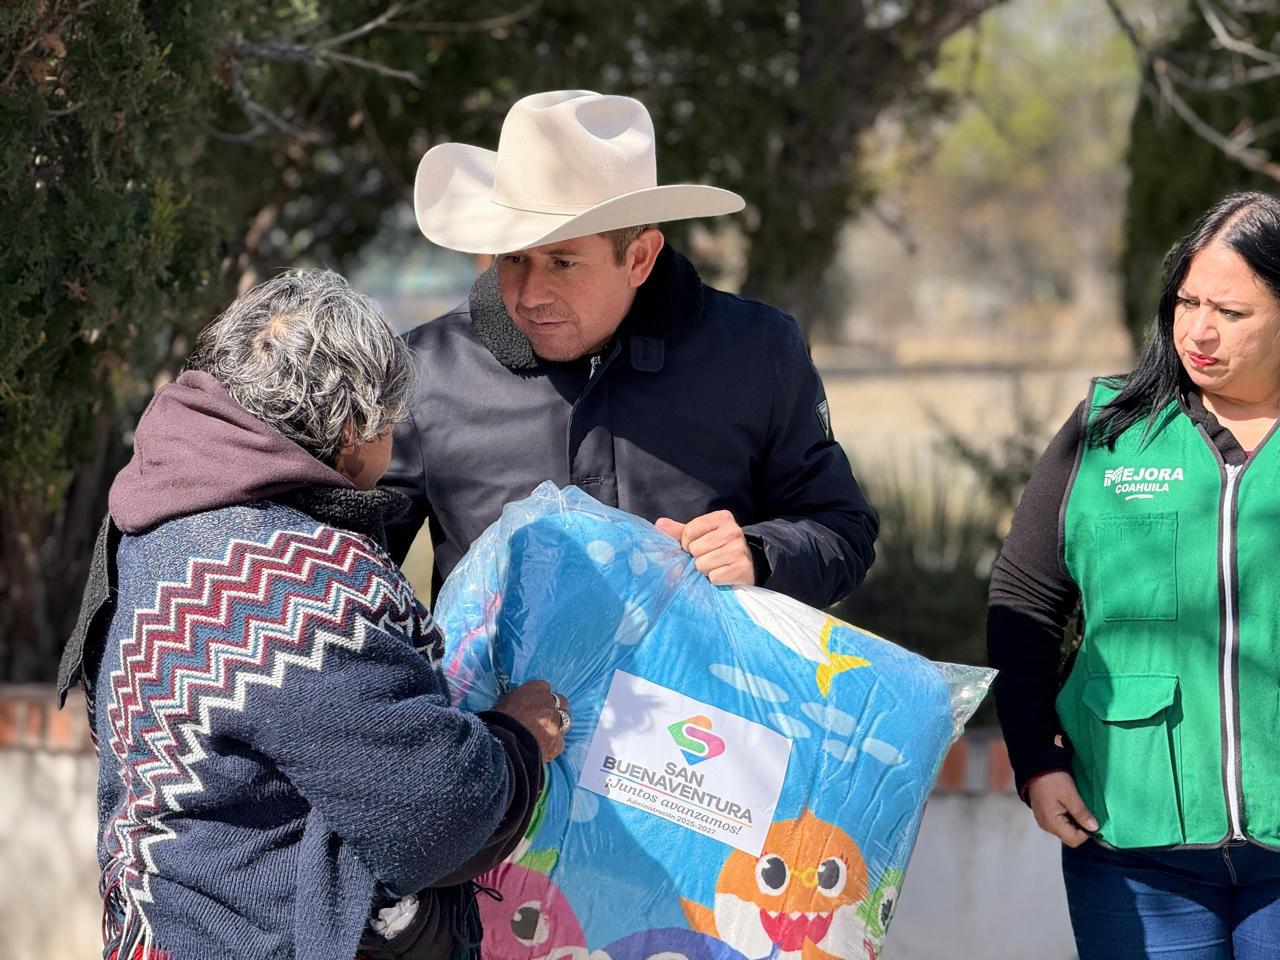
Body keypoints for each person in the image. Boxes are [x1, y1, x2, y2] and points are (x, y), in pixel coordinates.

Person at [56, 271, 572, 960]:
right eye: (388, 426)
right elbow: (436, 813)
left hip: (158, 920)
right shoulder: (294, 583)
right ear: (354, 432)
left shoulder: (161, 510)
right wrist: (519, 738)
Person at [381, 90, 877, 609]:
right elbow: (348, 564)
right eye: (513, 259)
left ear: (640, 258)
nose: (529, 294)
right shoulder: (422, 372)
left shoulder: (758, 352)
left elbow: (841, 528)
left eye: (562, 263)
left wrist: (759, 554)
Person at [988, 191, 1280, 959]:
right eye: (1187, 302)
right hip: (1131, 842)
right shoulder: (1107, 430)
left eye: (1232, 312)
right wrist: (1035, 758)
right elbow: (1024, 598)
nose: (1199, 331)